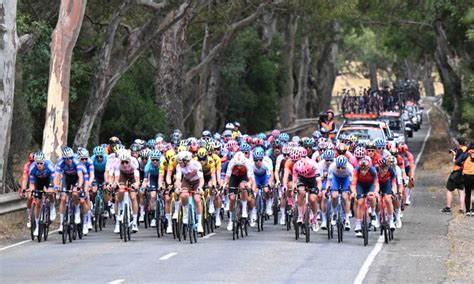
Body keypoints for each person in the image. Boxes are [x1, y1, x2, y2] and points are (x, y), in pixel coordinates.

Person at [442, 137, 467, 213]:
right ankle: (462, 209)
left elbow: (455, 161)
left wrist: (454, 155)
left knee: (449, 189)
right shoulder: (467, 149)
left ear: (459, 143)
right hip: (464, 172)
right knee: (461, 191)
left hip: (456, 172)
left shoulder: (459, 150)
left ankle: (448, 207)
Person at [455, 142, 474, 215]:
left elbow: (457, 162)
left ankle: (468, 211)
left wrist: (462, 166)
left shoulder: (466, 154)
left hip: (466, 176)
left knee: (468, 193)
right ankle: (473, 211)